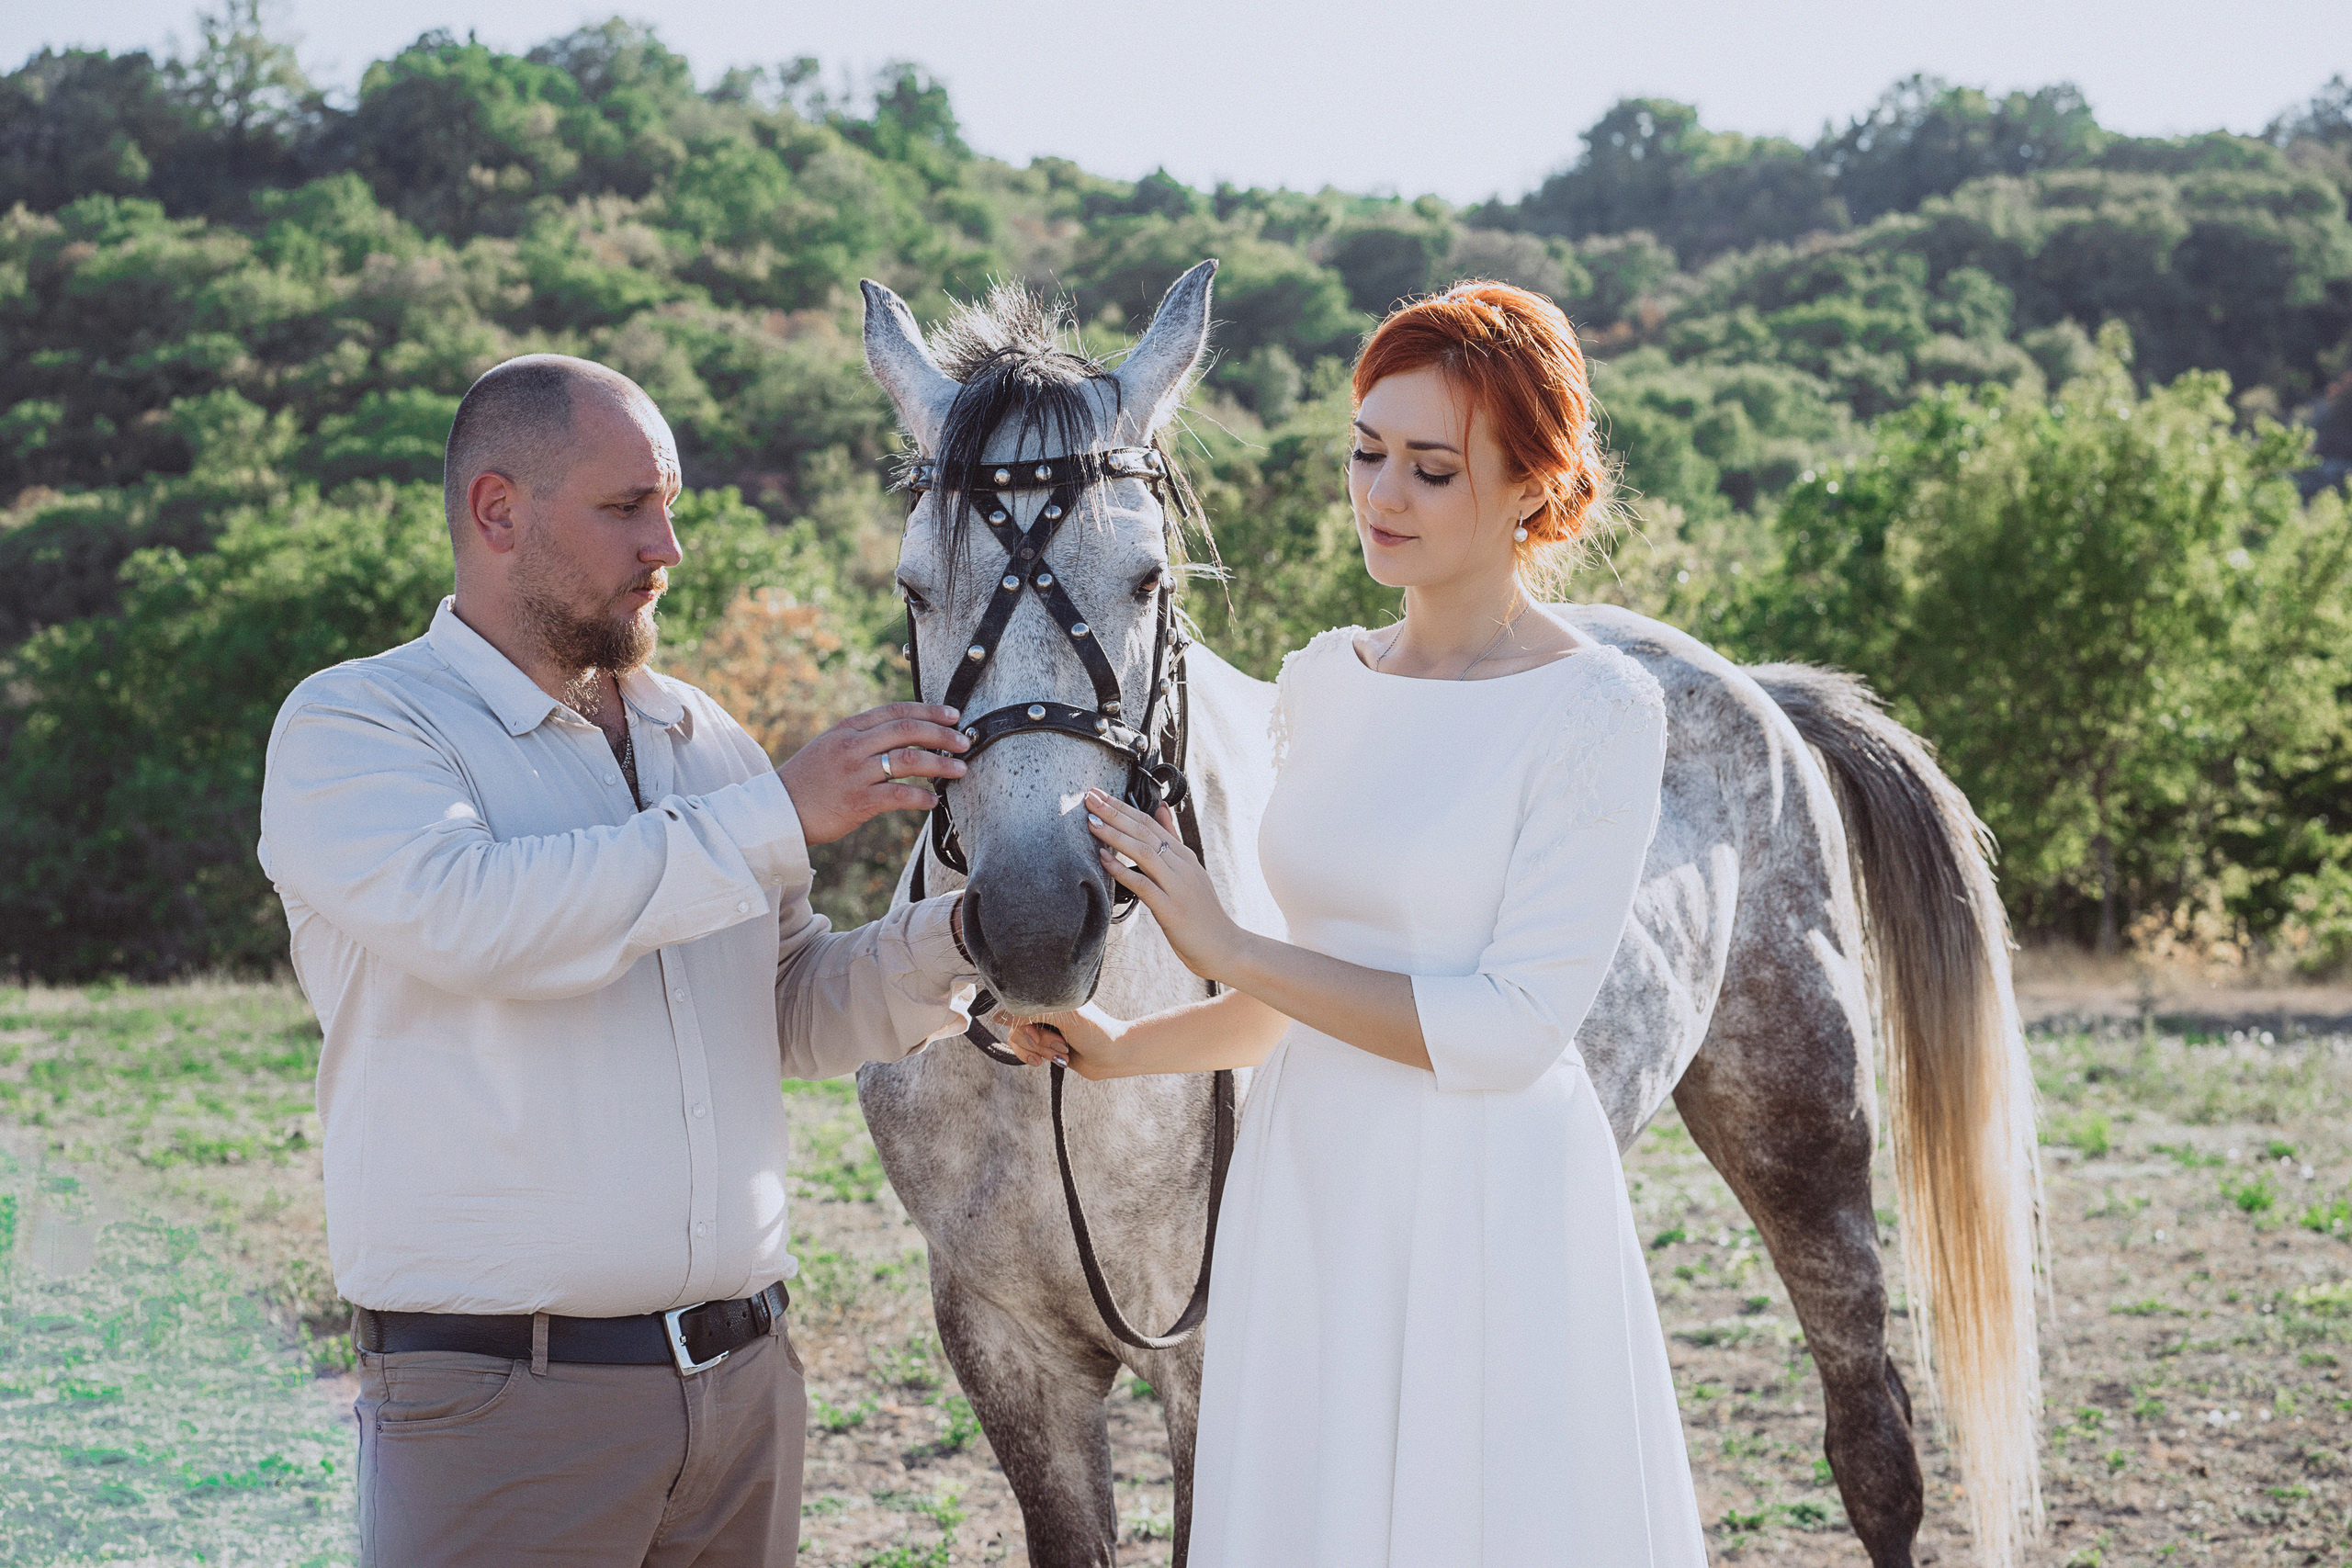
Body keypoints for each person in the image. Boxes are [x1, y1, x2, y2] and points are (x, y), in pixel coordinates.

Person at [1011, 283, 1710, 1565]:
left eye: (1432, 469)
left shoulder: (1598, 709)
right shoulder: (1323, 682)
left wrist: (1227, 943)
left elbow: (1506, 1033)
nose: (1380, 494)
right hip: (1311, 1182)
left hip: (1485, 1205)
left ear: (1532, 490)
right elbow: (1299, 996)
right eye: (1367, 452)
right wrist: (1123, 1043)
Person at [256, 354, 977, 1567]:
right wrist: (780, 814)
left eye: (672, 503)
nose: (670, 546)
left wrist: (965, 937)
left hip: (746, 1395)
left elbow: (786, 1004)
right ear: (499, 512)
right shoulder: (358, 727)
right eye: (627, 506)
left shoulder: (707, 741)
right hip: (502, 1407)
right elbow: (479, 922)